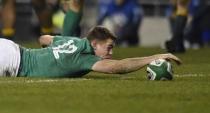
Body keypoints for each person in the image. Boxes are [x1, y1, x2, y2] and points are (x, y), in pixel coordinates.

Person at [0, 0, 182, 78]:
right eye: (108, 47)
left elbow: (44, 38)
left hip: (12, 49)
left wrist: (48, 55)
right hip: (12, 62)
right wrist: (155, 56)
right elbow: (119, 67)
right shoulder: (84, 58)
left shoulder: (69, 40)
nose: (111, 52)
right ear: (94, 44)